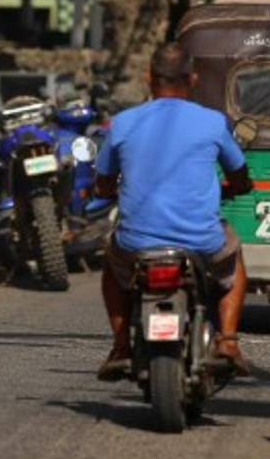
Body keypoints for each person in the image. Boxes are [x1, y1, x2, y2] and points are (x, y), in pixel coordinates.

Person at [93, 44, 253, 382]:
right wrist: (238, 187)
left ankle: (121, 346)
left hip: (136, 243)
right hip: (201, 243)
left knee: (112, 263)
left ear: (148, 77)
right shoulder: (212, 122)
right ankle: (228, 341)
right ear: (192, 79)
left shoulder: (121, 124)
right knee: (233, 259)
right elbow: (239, 174)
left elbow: (103, 183)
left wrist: (110, 190)